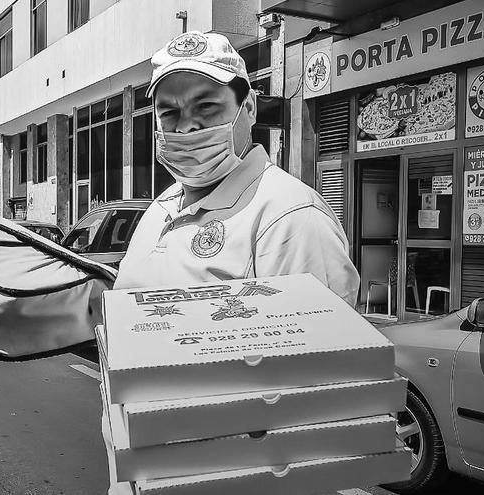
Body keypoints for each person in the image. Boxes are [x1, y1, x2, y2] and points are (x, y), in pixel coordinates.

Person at [102, 31, 360, 493]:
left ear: (249, 109)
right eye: (170, 113)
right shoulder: (161, 208)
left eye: (206, 107)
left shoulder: (288, 215)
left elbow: (321, 389)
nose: (185, 128)